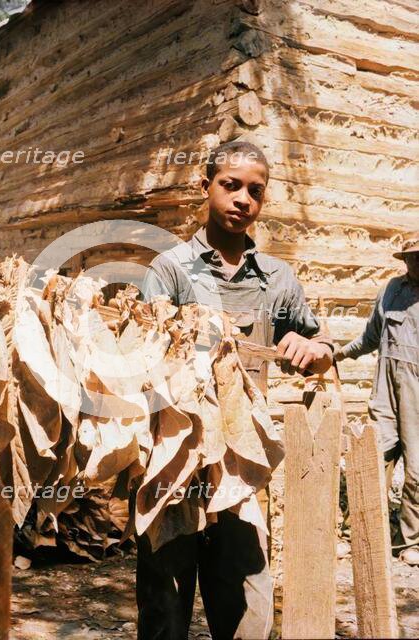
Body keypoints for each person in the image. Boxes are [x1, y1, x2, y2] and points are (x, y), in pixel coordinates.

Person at [137, 140, 334, 640]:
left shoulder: (277, 279)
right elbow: (141, 354)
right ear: (205, 188)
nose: (243, 198)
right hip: (175, 460)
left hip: (242, 467)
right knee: (165, 604)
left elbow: (321, 346)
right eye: (231, 185)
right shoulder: (171, 269)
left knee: (247, 602)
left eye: (255, 191)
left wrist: (311, 347)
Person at [335, 236, 419, 567]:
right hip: (385, 390)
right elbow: (371, 337)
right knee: (372, 458)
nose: (415, 264)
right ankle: (358, 532)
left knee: (417, 470)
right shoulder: (391, 290)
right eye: (411, 258)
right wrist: (338, 352)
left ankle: (409, 541)